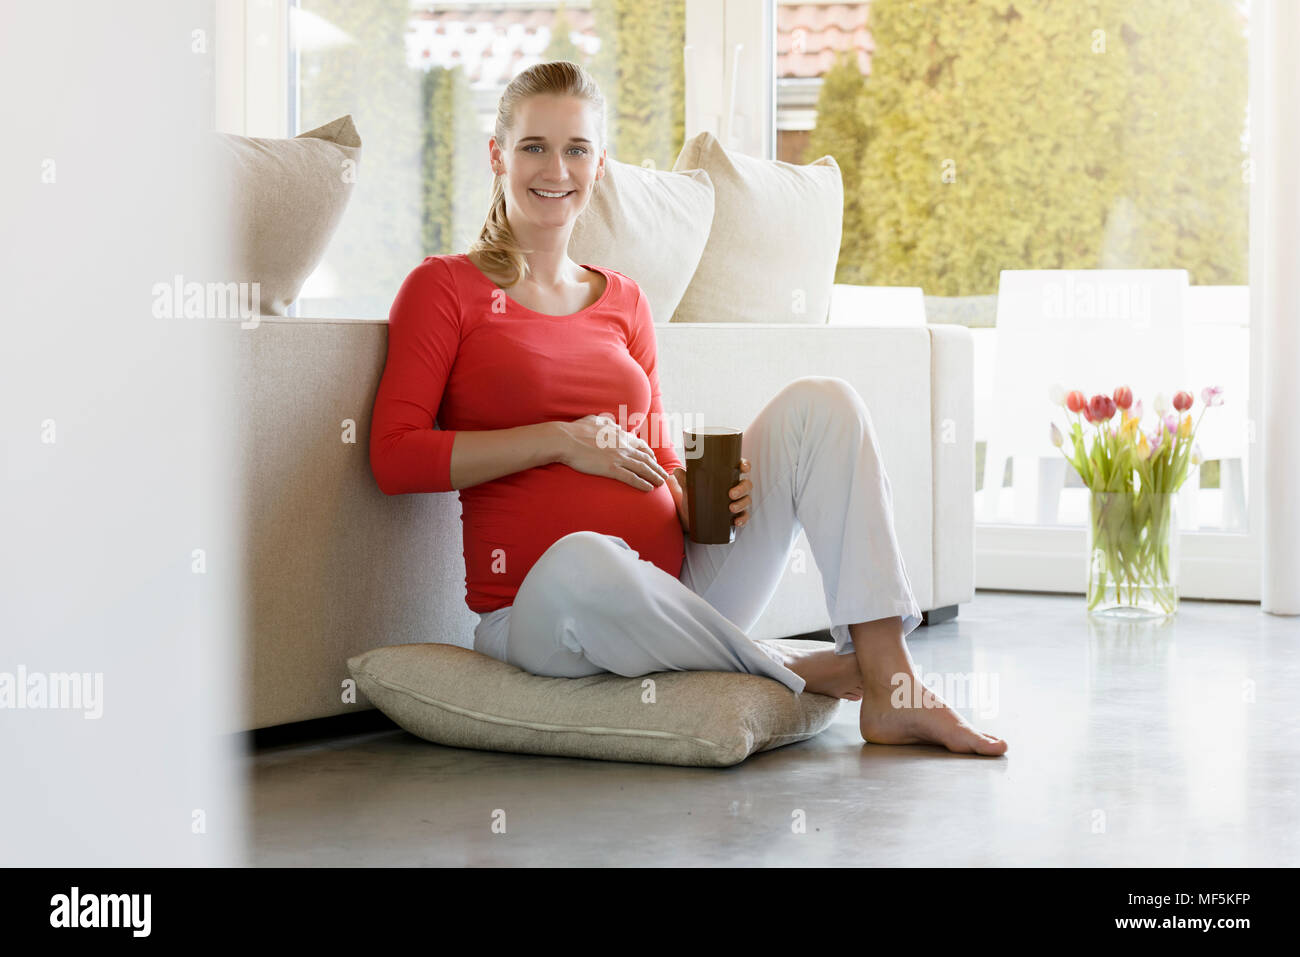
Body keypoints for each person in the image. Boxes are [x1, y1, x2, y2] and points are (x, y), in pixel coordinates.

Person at [369, 60, 1006, 756]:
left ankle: (892, 684)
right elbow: (395, 454)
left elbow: (660, 453)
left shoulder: (626, 300)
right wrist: (558, 440)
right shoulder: (445, 288)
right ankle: (787, 662)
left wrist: (695, 491)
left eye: (577, 148)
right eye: (534, 146)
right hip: (548, 610)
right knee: (586, 557)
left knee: (826, 404)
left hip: (686, 585)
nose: (557, 168)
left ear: (600, 164)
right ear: (497, 156)